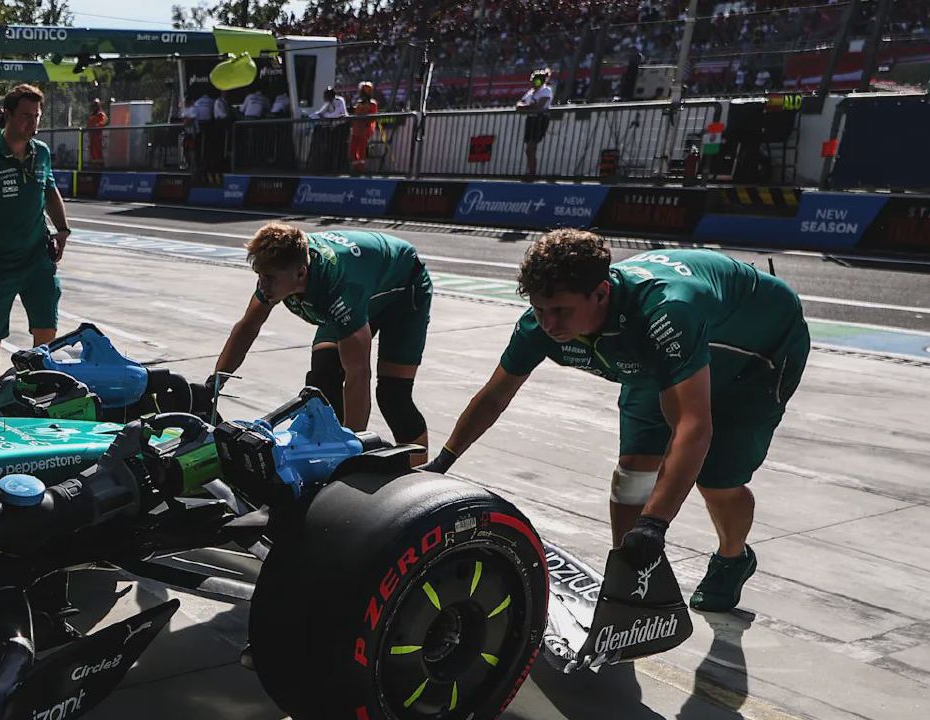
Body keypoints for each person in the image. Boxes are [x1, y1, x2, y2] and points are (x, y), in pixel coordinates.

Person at [424, 230, 808, 612]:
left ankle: (732, 557)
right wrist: (443, 460)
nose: (549, 324)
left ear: (601, 293)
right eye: (541, 309)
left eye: (561, 311)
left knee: (717, 479)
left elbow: (693, 427)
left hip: (759, 349)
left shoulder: (665, 314)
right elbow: (495, 396)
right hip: (659, 354)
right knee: (633, 472)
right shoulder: (540, 324)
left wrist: (654, 524)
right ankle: (631, 581)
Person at [212, 223, 432, 455]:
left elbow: (358, 374)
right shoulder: (282, 268)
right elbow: (248, 326)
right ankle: (328, 453)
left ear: (300, 273)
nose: (262, 286)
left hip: (403, 289)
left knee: (393, 396)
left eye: (268, 278)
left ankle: (420, 468)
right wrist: (215, 382)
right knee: (323, 378)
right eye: (259, 276)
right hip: (363, 281)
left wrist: (352, 453)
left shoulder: (336, 286)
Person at [0, 83, 72, 395]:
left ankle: (39, 394)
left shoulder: (41, 153)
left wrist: (62, 230)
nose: (32, 123)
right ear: (6, 114)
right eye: (25, 116)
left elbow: (50, 191)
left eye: (37, 116)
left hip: (38, 260)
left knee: (46, 332)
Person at [517, 66, 554, 180]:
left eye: (535, 81)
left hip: (539, 120)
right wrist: (528, 106)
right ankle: (530, 171)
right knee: (529, 149)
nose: (532, 83)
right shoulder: (530, 92)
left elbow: (539, 106)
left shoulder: (546, 90)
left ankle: (532, 172)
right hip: (531, 120)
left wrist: (527, 107)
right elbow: (519, 104)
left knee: (531, 148)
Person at [310, 87, 350, 173]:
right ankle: (332, 167)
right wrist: (312, 116)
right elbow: (320, 112)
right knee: (332, 147)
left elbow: (337, 114)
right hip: (334, 128)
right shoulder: (328, 103)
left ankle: (341, 168)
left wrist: (325, 116)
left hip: (342, 127)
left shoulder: (340, 101)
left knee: (341, 148)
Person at [350, 82, 379, 174]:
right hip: (356, 129)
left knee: (362, 149)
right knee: (353, 149)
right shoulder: (358, 102)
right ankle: (356, 166)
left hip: (365, 129)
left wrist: (367, 124)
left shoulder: (373, 103)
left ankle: (361, 168)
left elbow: (373, 117)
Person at [86, 95, 108, 168]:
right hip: (91, 136)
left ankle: (99, 164)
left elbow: (103, 122)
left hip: (98, 136)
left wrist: (95, 126)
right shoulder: (92, 115)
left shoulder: (101, 114)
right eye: (93, 105)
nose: (94, 106)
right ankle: (93, 163)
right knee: (92, 150)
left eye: (96, 105)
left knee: (97, 150)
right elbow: (89, 123)